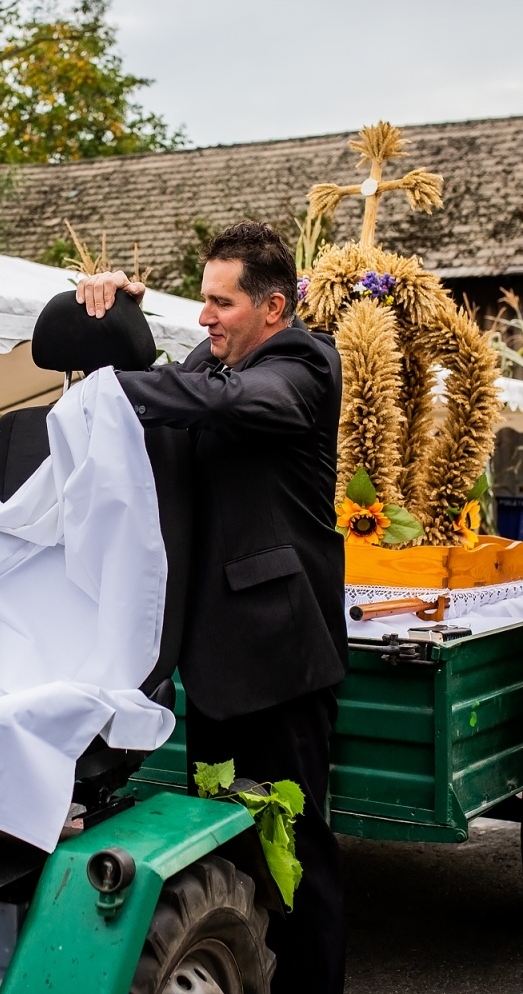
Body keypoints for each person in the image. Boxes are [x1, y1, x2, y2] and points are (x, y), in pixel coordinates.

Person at [74, 220, 347, 994]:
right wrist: (118, 314)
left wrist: (109, 387)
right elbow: (180, 385)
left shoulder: (301, 366)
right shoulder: (212, 360)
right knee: (223, 851)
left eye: (220, 303)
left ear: (273, 307)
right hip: (221, 664)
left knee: (296, 856)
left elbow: (217, 400)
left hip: (282, 664)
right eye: (200, 301)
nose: (204, 318)